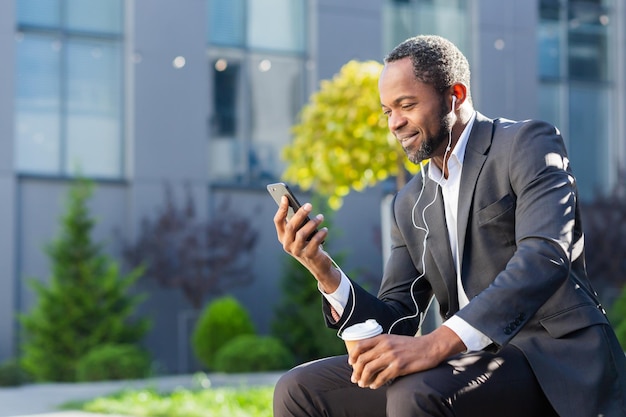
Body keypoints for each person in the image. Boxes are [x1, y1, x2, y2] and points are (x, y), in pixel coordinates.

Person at [271, 35, 626, 417]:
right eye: (387, 111)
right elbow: (398, 320)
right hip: (463, 365)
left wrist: (437, 343)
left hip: (548, 360)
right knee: (299, 389)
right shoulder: (410, 201)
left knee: (419, 392)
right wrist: (323, 269)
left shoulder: (527, 144)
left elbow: (545, 257)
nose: (394, 123)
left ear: (455, 95)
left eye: (406, 105)